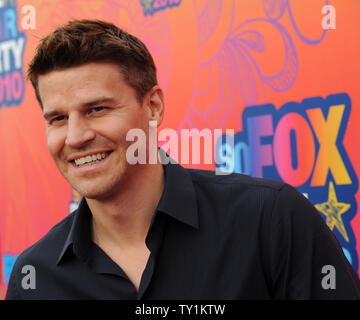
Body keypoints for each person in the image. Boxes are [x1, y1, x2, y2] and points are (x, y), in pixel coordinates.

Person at [5, 19, 360, 300]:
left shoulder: (271, 221)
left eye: (97, 109)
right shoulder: (34, 276)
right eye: (58, 119)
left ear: (153, 106)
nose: (76, 136)